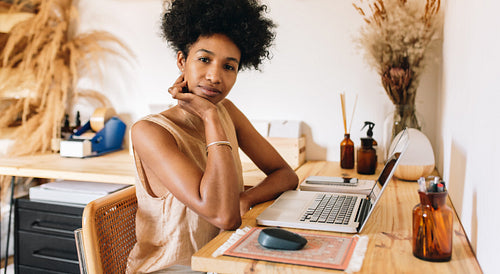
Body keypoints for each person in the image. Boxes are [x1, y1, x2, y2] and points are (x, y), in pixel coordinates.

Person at [126, 0, 299, 272]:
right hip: (174, 269)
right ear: (182, 61)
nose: (215, 76)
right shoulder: (150, 131)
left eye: (229, 67)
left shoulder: (226, 111)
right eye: (204, 59)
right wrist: (209, 116)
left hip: (222, 257)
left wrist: (246, 198)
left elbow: (285, 174)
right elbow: (223, 215)